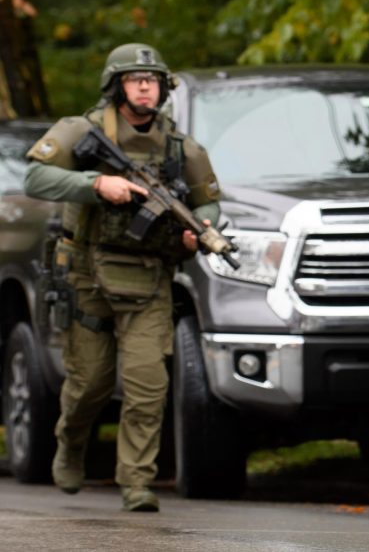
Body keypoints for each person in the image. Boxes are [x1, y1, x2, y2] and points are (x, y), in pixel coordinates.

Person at [23, 43, 222, 512]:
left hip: (148, 279)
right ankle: (70, 444)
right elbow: (35, 178)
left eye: (152, 81)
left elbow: (207, 201)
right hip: (88, 276)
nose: (145, 87)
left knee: (147, 385)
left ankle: (136, 482)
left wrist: (205, 228)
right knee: (90, 383)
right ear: (117, 86)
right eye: (136, 80)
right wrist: (94, 184)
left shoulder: (180, 146)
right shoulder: (82, 131)